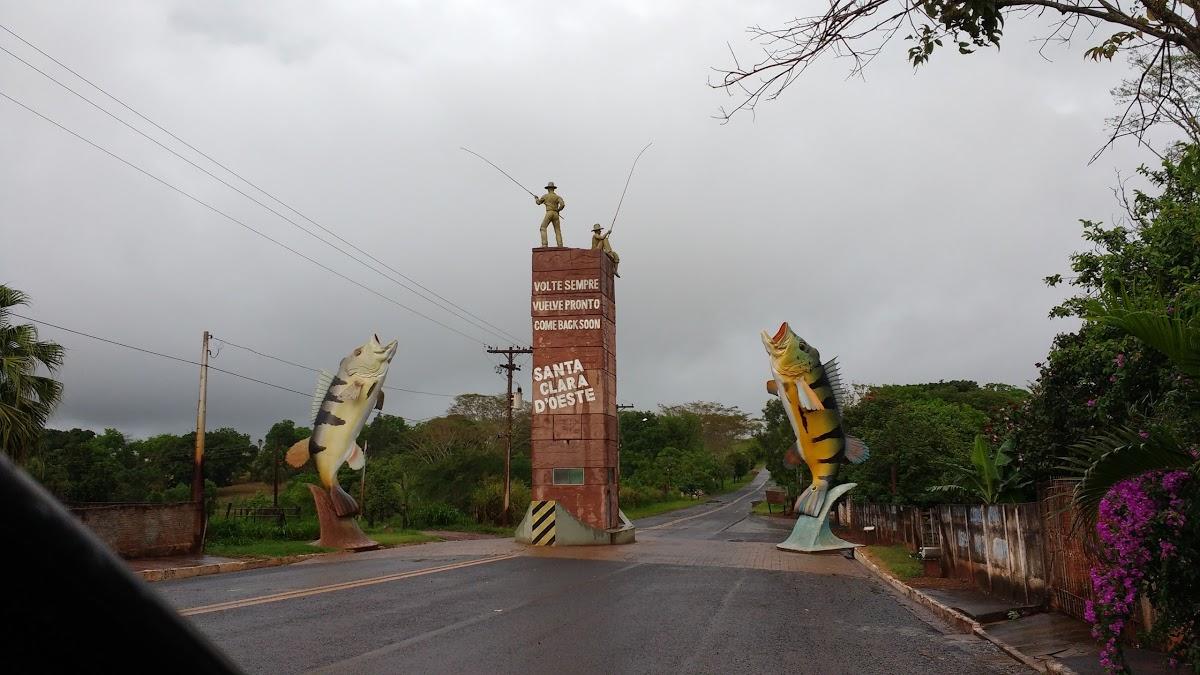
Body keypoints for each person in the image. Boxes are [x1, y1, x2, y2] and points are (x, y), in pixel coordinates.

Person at [535, 181, 565, 247]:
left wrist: (536, 198)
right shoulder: (558, 197)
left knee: (543, 227)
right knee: (557, 230)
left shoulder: (545, 196)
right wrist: (558, 210)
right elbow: (562, 204)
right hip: (556, 214)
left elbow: (538, 203)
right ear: (553, 189)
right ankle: (560, 245)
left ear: (548, 189)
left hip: (549, 212)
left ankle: (544, 244)